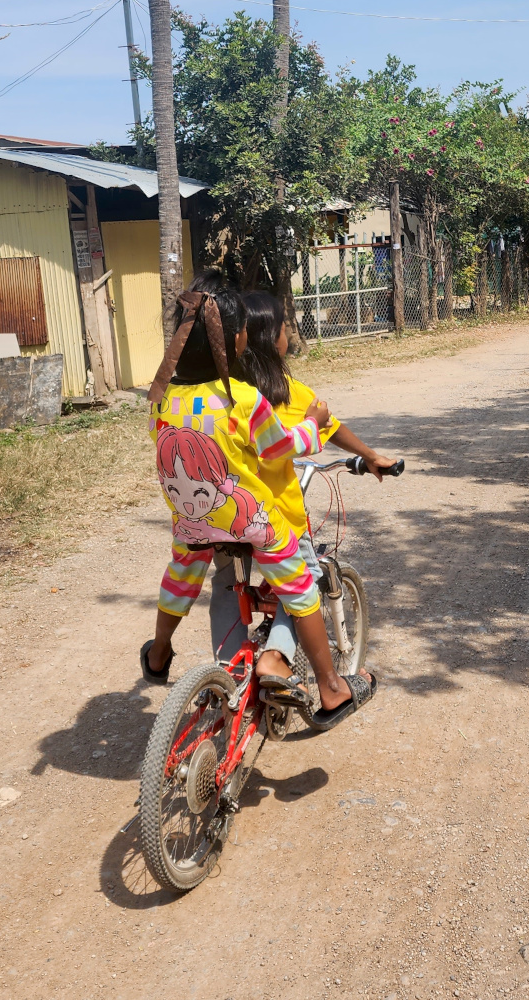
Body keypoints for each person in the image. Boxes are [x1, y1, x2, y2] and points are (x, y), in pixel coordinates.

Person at [140, 269, 376, 726]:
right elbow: (281, 448)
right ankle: (329, 687)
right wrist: (312, 424)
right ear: (233, 340)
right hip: (249, 521)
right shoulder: (244, 399)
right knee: (300, 585)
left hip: (192, 524)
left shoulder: (160, 400)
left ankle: (160, 652)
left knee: (185, 576)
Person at [232, 290, 398, 691]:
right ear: (274, 339)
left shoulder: (226, 390)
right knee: (305, 581)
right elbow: (329, 427)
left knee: (230, 587)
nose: (289, 333)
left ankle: (229, 669)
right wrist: (370, 456)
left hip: (224, 516)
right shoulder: (288, 394)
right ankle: (277, 657)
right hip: (276, 518)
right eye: (285, 327)